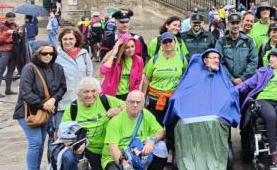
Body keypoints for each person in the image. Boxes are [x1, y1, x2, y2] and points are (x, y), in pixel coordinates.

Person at [164, 48, 241, 169]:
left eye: (218, 59)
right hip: (188, 119)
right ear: (205, 60)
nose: (217, 61)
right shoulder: (193, 76)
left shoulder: (221, 77)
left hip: (215, 119)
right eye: (213, 58)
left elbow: (230, 93)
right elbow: (180, 93)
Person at [14, 40, 67, 170]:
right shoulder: (29, 68)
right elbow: (26, 92)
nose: (48, 55)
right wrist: (44, 104)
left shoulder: (57, 68)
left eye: (51, 53)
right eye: (44, 53)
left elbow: (62, 87)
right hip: (28, 112)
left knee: (41, 141)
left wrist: (54, 99)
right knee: (35, 142)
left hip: (46, 111)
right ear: (37, 53)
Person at [61, 77, 125, 170]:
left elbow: (128, 104)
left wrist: (118, 109)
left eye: (93, 91)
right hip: (87, 151)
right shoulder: (73, 108)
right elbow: (63, 132)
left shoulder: (104, 100)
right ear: (79, 94)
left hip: (108, 149)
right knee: (67, 156)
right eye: (86, 91)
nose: (90, 95)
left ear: (98, 92)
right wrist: (75, 144)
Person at [142, 32, 188, 161]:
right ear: (161, 45)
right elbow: (146, 78)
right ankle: (157, 154)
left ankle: (172, 152)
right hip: (155, 99)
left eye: (170, 41)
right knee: (157, 127)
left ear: (175, 43)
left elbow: (185, 77)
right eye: (165, 42)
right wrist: (142, 97)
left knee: (173, 127)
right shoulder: (155, 59)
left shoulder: (181, 58)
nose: (168, 44)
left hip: (173, 100)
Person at [101, 90, 167, 170]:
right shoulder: (115, 121)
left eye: (138, 102)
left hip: (137, 153)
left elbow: (161, 131)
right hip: (115, 157)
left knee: (162, 148)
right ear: (126, 103)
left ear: (143, 105)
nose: (135, 105)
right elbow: (112, 148)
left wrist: (152, 141)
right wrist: (125, 165)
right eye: (131, 102)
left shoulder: (146, 114)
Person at [55, 27, 94, 124]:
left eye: (71, 39)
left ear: (76, 39)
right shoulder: (56, 55)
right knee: (61, 130)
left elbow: (89, 75)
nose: (68, 42)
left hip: (81, 99)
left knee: (81, 129)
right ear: (61, 40)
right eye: (65, 39)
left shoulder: (84, 54)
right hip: (63, 100)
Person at [216, 13, 258, 85]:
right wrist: (231, 79)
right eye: (232, 23)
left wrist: (242, 78)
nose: (235, 26)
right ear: (228, 24)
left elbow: (253, 62)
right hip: (226, 82)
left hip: (246, 81)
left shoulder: (249, 41)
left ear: (241, 23)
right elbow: (219, 63)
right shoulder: (221, 42)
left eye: (237, 23)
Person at [100, 34, 144, 100]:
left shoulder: (138, 60)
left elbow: (138, 80)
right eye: (127, 47)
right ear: (121, 48)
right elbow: (103, 71)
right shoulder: (114, 60)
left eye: (132, 46)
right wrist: (114, 52)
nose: (131, 50)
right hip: (110, 95)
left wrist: (133, 95)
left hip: (127, 95)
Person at [0, 11, 18, 97]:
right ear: (6, 18)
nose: (12, 21)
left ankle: (8, 89)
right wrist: (7, 33)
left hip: (13, 51)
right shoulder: (0, 27)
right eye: (10, 20)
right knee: (0, 71)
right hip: (3, 51)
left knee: (11, 71)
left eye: (13, 19)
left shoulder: (15, 26)